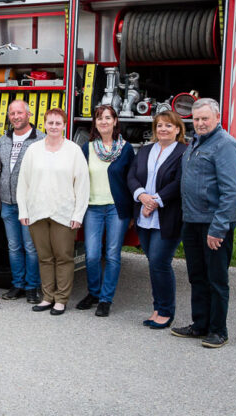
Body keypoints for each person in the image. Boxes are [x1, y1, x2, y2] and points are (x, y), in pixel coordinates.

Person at [172, 98, 236, 348]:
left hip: (213, 224)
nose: (200, 123)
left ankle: (218, 331)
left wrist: (218, 228)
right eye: (196, 119)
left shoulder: (225, 145)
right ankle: (199, 324)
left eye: (205, 119)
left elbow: (232, 191)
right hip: (192, 221)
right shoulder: (196, 142)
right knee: (197, 276)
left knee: (216, 279)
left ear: (217, 118)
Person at [17, 108, 89, 315]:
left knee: (63, 257)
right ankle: (47, 296)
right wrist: (24, 210)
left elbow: (82, 185)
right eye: (50, 123)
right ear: (44, 124)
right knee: (45, 257)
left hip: (63, 213)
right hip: (37, 211)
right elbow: (24, 183)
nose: (54, 126)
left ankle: (61, 299)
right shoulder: (34, 150)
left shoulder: (74, 151)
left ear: (64, 125)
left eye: (58, 123)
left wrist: (78, 214)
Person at [127, 111, 187, 329]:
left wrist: (154, 201)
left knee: (160, 263)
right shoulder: (145, 150)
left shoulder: (184, 152)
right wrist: (142, 196)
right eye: (160, 125)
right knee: (154, 264)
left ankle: (166, 311)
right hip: (144, 218)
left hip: (167, 217)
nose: (163, 129)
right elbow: (132, 176)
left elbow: (180, 182)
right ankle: (157, 307)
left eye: (169, 126)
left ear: (178, 129)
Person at [77, 105, 134, 317]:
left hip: (116, 209)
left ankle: (105, 299)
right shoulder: (88, 148)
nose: (103, 122)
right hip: (92, 207)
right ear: (95, 123)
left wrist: (133, 213)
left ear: (115, 121)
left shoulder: (126, 149)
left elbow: (132, 181)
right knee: (91, 255)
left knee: (112, 255)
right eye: (99, 118)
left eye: (108, 118)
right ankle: (93, 292)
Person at [0, 99, 45, 304]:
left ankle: (32, 286)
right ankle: (18, 284)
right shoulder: (3, 139)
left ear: (29, 114)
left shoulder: (40, 140)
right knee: (14, 247)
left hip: (30, 204)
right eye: (12, 113)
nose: (15, 117)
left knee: (31, 247)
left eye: (19, 113)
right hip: (7, 202)